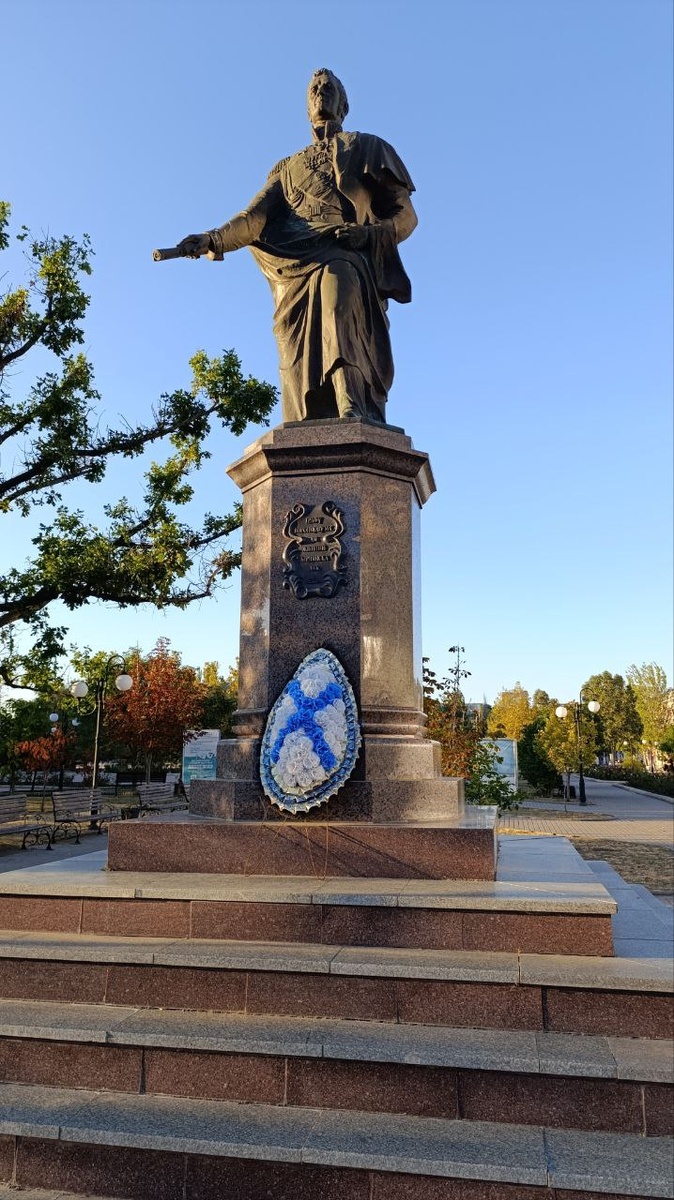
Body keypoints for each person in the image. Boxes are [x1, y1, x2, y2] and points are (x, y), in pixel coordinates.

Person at [176, 69, 417, 424]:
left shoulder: (367, 147)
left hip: (344, 251)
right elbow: (254, 218)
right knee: (291, 345)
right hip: (293, 263)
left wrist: (368, 235)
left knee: (337, 299)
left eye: (329, 87)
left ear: (344, 105)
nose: (321, 92)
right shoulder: (287, 168)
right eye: (314, 88)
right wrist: (213, 239)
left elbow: (406, 215)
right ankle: (308, 421)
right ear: (306, 108)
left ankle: (350, 405)